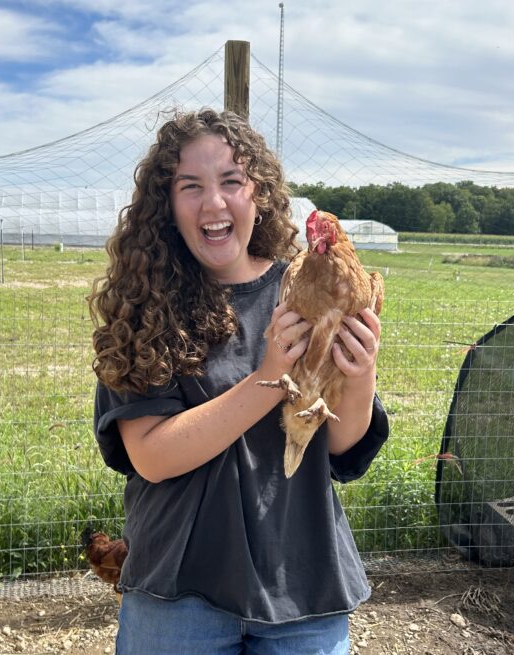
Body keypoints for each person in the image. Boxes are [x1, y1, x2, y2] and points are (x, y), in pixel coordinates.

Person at [88, 108, 388, 655]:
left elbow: (341, 447)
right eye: (191, 186)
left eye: (231, 181)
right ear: (167, 204)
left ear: (259, 194)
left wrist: (360, 373)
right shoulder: (145, 307)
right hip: (180, 594)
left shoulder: (306, 285)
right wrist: (269, 378)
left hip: (303, 582)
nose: (214, 203)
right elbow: (153, 457)